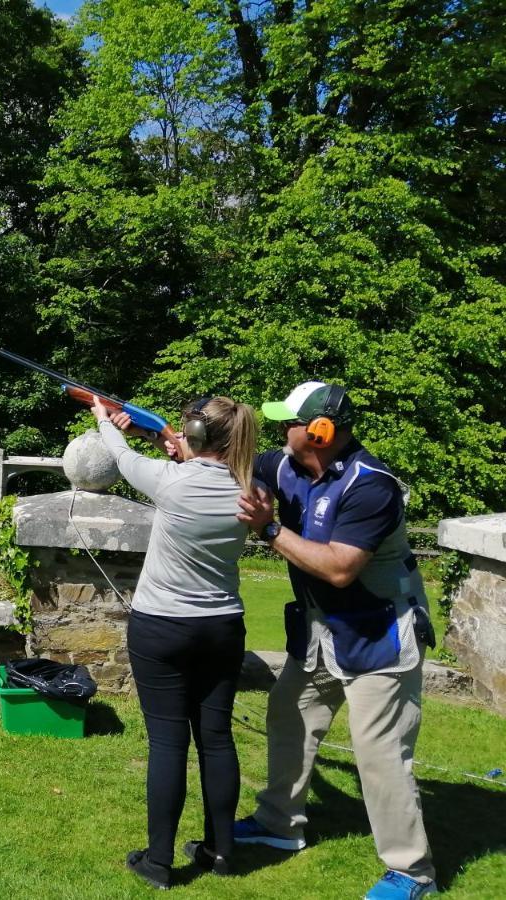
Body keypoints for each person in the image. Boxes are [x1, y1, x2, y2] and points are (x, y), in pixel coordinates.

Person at [234, 381, 437, 900]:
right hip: (322, 631)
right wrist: (178, 441)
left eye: (291, 422)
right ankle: (280, 824)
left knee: (380, 753)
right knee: (289, 717)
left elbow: (341, 569)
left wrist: (270, 530)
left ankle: (411, 872)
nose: (282, 431)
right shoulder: (285, 465)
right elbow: (227, 463)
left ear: (321, 432)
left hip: (379, 636)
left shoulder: (373, 487)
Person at [93, 395, 258, 890]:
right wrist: (164, 439)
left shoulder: (171, 482)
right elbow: (188, 462)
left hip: (162, 626)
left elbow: (120, 460)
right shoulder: (250, 490)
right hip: (222, 627)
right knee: (216, 739)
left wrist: (105, 421)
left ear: (198, 434)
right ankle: (220, 850)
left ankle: (159, 861)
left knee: (168, 742)